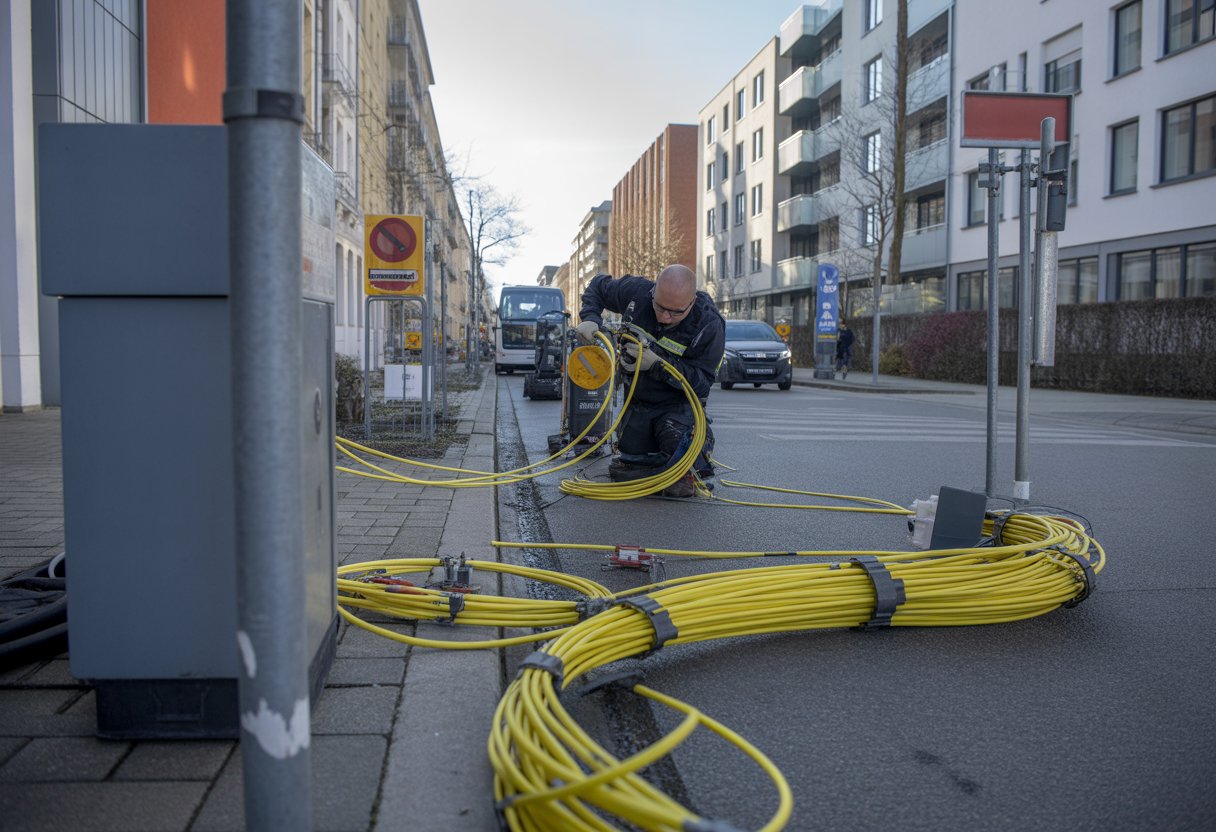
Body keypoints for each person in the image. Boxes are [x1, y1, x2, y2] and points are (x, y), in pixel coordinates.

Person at [574, 264, 725, 498]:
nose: (665, 317)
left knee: (678, 440)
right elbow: (597, 286)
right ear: (653, 291)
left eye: (675, 312)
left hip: (677, 404)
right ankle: (656, 469)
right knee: (630, 460)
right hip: (639, 402)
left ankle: (693, 457)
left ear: (692, 302)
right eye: (660, 307)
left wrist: (657, 365)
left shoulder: (708, 324)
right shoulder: (637, 293)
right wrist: (590, 318)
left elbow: (702, 383)